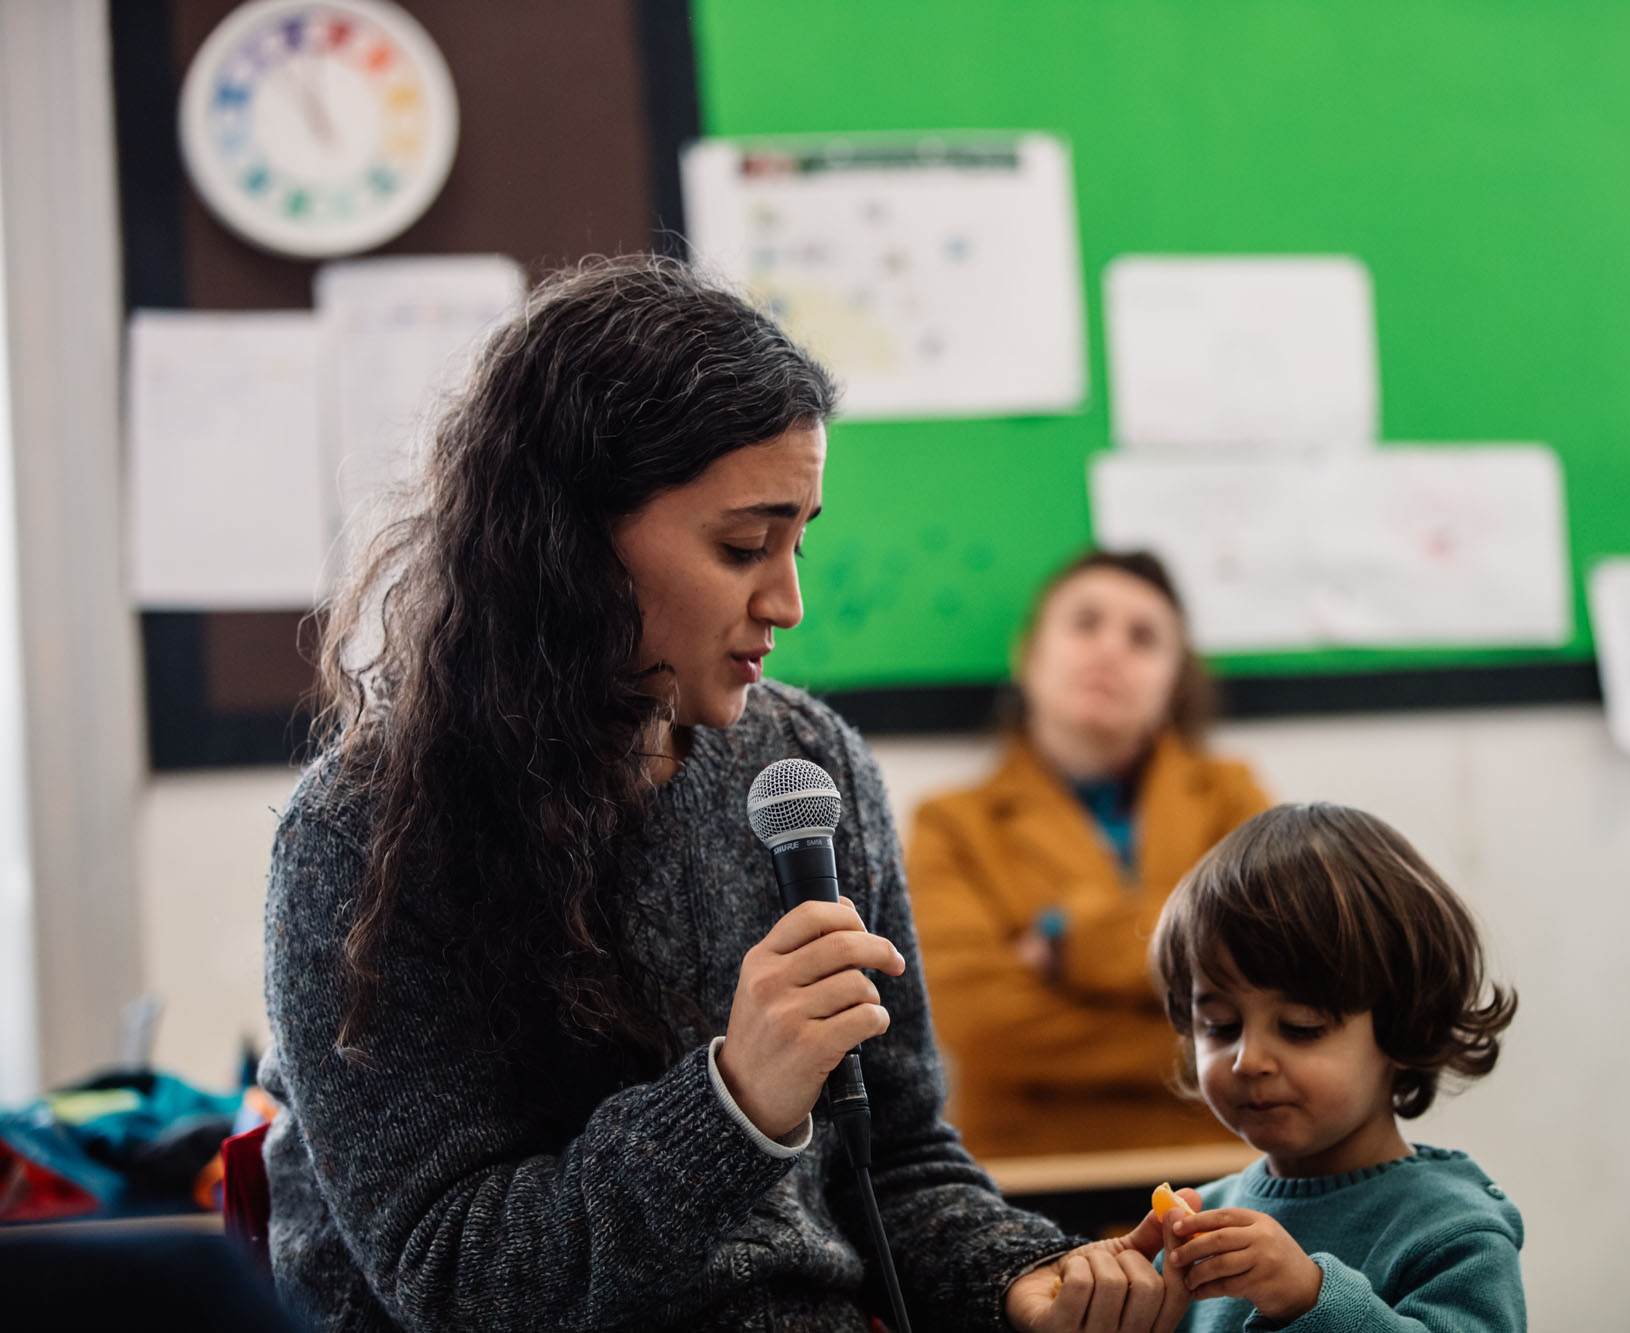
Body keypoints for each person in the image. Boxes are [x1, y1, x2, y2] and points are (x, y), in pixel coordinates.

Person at [259, 256, 1190, 1332]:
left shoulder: (810, 762)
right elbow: (454, 1275)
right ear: (568, 541)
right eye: (745, 545)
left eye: (799, 540)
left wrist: (1020, 1280)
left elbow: (897, 1158)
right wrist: (736, 1099)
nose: (788, 600)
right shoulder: (365, 832)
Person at [908, 550, 1270, 1159]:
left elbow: (1272, 959)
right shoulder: (950, 824)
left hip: (1219, 1166)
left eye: (1143, 637)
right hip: (1030, 1177)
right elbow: (985, 1028)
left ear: (1174, 681)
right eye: (1085, 623)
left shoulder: (1231, 798)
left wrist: (1070, 935)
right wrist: (1216, 1040)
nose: (1110, 650)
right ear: (1028, 654)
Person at [1146, 803, 1525, 1332]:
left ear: (1408, 1026)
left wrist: (1310, 1300)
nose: (1248, 1060)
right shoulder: (1198, 1223)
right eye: (1221, 1026)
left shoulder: (1452, 1231)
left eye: (1301, 1027)